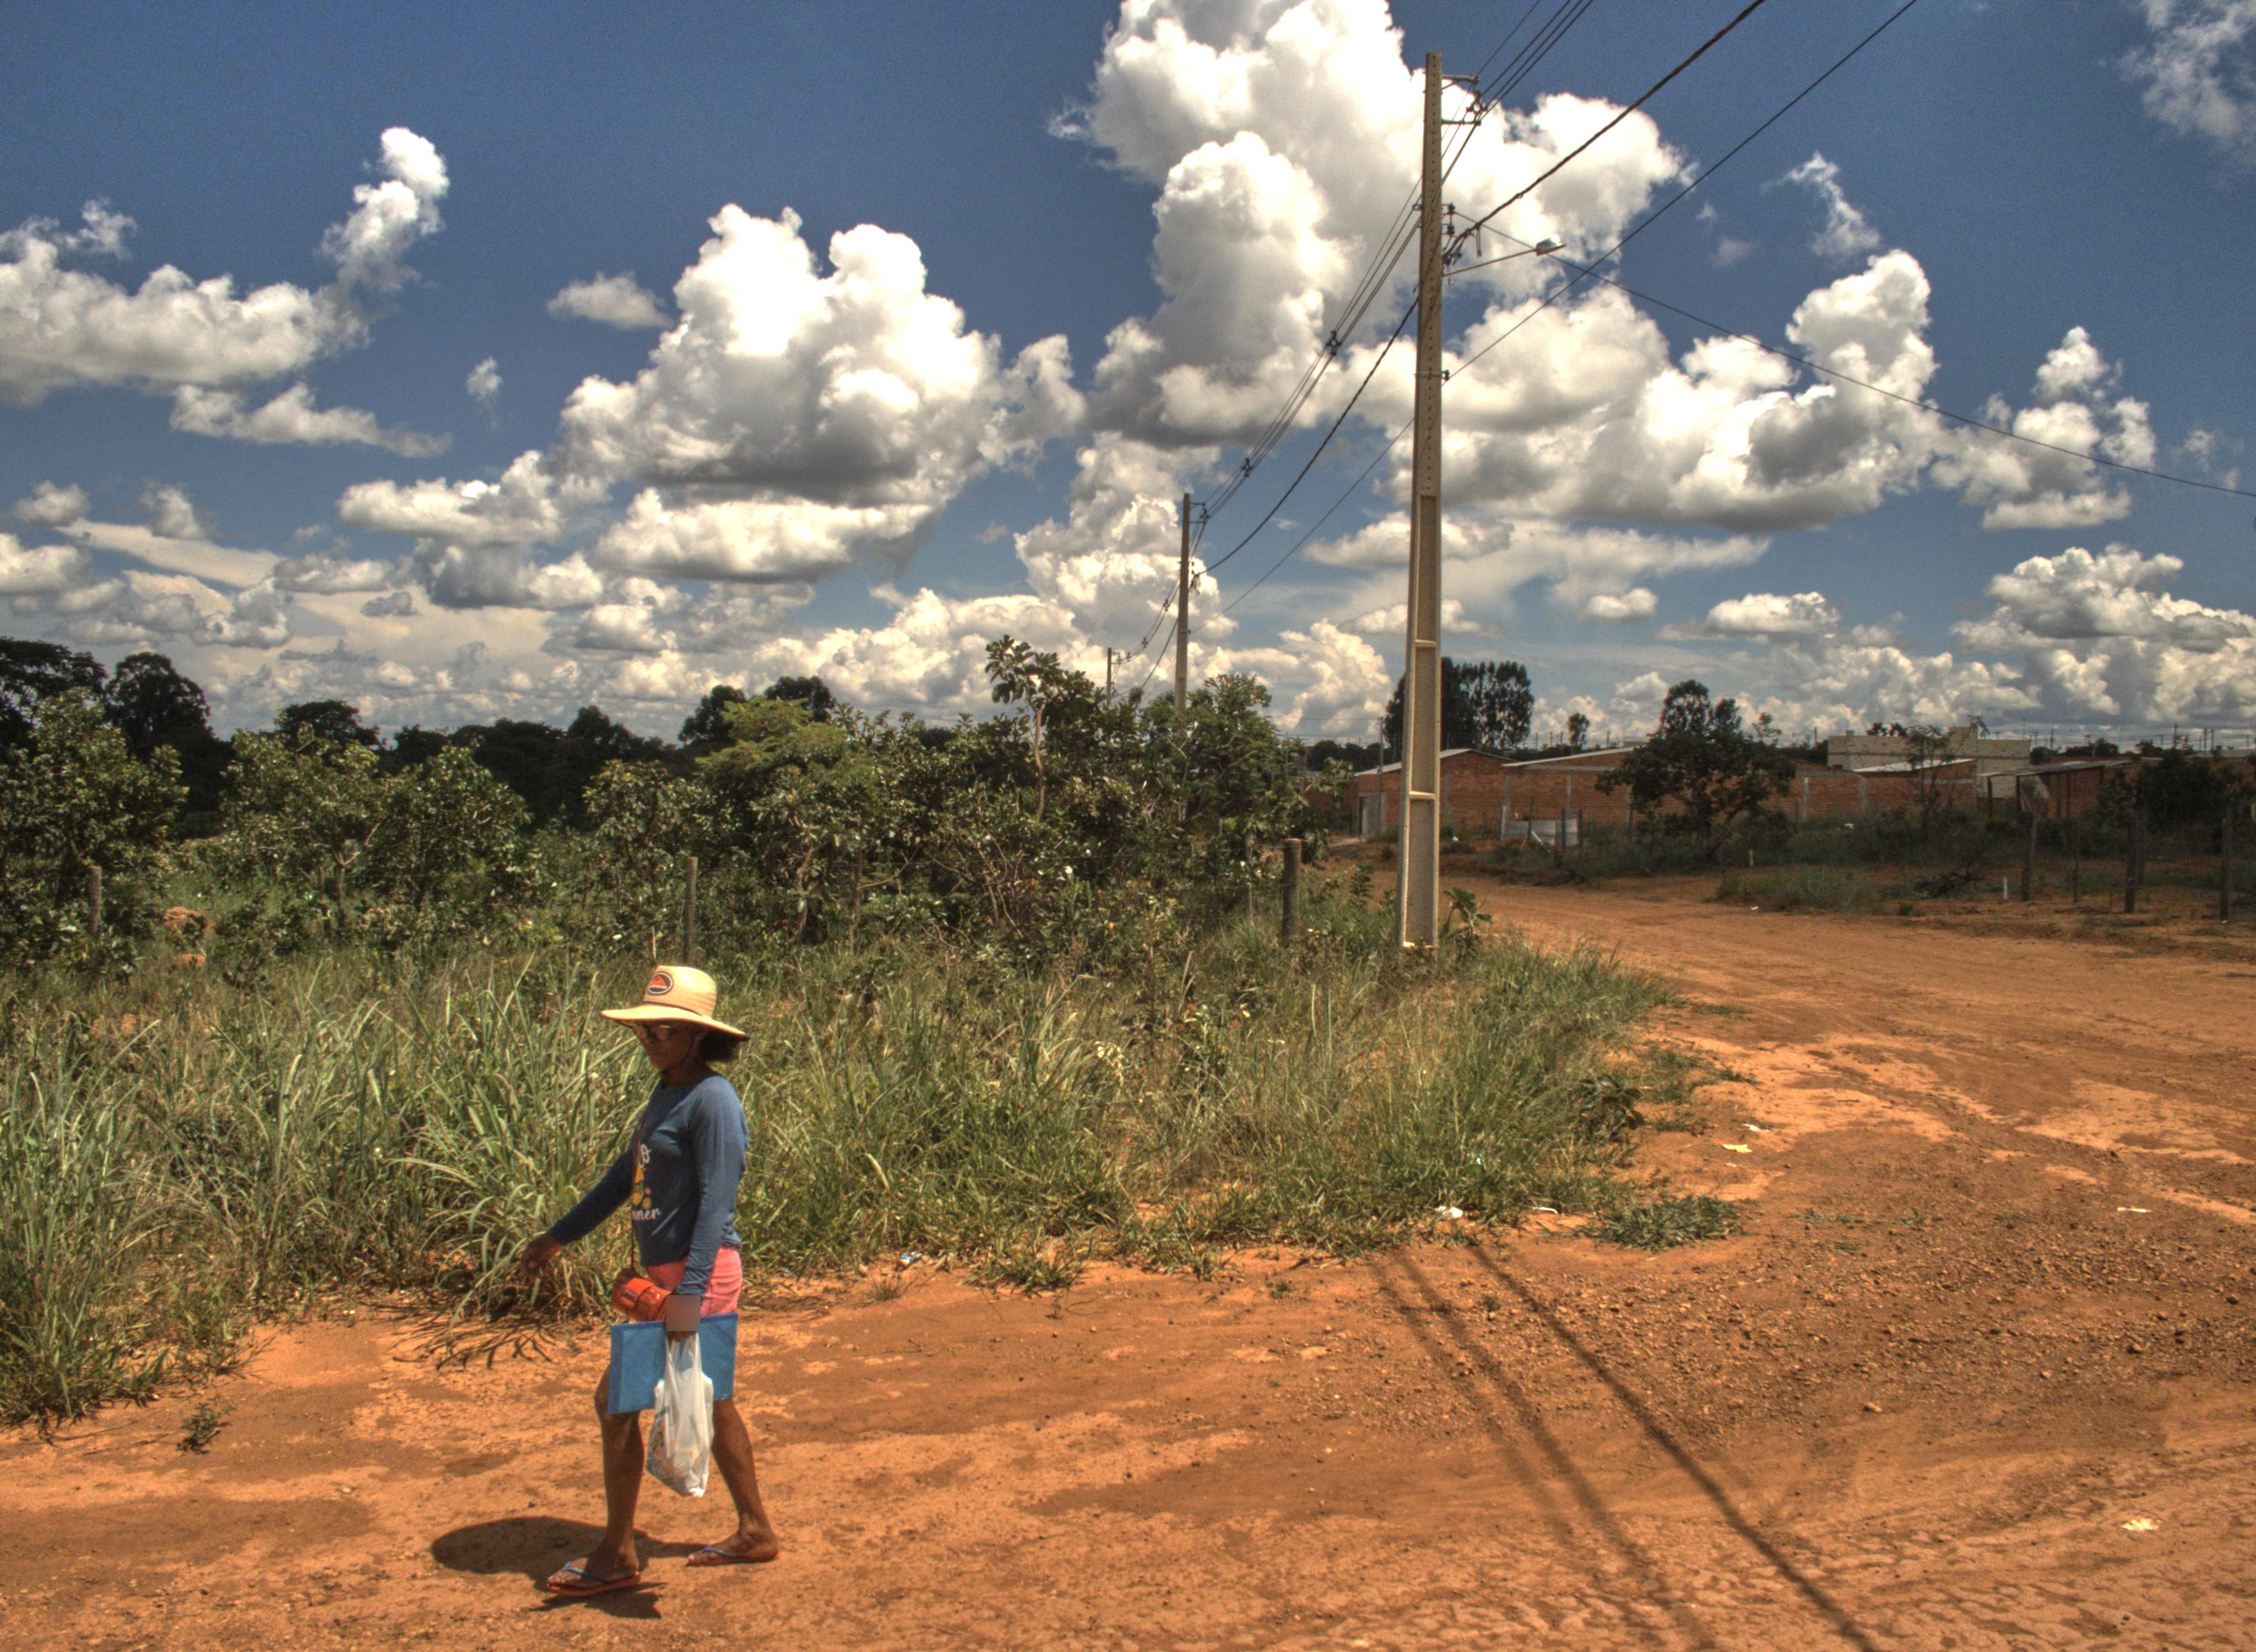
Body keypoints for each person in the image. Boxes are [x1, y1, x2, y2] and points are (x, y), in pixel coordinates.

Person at [516, 964, 782, 1597]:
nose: (651, 1040)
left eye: (666, 1029)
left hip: (697, 1280)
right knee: (711, 1398)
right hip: (673, 1281)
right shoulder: (667, 1092)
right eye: (646, 1029)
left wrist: (688, 1295)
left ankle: (616, 1554)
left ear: (698, 1035)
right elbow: (622, 1179)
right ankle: (755, 1529)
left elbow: (716, 1206)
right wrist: (558, 1237)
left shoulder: (713, 1101)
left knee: (616, 1405)